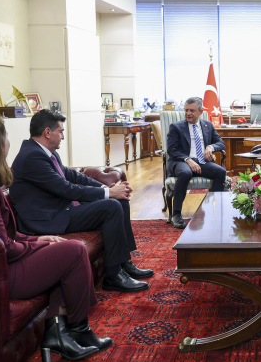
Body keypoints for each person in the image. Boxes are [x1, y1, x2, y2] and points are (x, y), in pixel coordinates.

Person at [0, 113, 111, 362]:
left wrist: (38, 239)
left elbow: (1, 236)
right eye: (5, 136)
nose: (8, 142)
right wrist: (35, 244)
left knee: (59, 249)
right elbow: (4, 248)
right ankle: (78, 330)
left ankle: (59, 333)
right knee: (74, 251)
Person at [9, 110, 153, 294]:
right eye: (61, 131)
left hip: (61, 210)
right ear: (47, 132)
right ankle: (113, 276)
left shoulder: (45, 152)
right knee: (111, 206)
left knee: (120, 201)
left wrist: (107, 188)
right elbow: (66, 189)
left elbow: (72, 176)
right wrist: (109, 193)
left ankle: (124, 262)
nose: (62, 136)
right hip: (48, 219)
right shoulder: (31, 157)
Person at [166, 96, 227, 229]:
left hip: (201, 161)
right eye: (186, 110)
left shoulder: (207, 125)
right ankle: (176, 215)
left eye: (192, 111)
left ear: (200, 111)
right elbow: (171, 150)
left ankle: (213, 209)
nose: (188, 113)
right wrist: (188, 160)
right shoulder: (176, 127)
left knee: (221, 172)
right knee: (185, 173)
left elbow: (221, 143)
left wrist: (210, 147)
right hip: (181, 160)